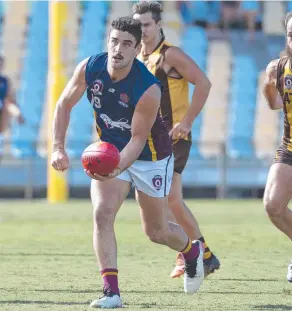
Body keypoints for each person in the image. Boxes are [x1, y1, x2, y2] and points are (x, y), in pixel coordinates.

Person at [51, 17, 205, 309]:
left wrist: (116, 167)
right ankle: (112, 293)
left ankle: (192, 252)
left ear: (136, 49)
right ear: (107, 41)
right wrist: (57, 148)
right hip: (110, 151)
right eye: (114, 41)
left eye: (126, 44)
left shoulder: (148, 88)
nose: (117, 49)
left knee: (156, 232)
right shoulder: (90, 67)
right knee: (102, 214)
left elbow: (137, 139)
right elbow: (63, 105)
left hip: (151, 157)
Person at [132, 1, 220, 279]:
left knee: (171, 199)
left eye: (146, 24)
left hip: (174, 137)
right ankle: (193, 254)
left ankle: (201, 255)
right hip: (150, 142)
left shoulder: (171, 55)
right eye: (138, 25)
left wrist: (188, 121)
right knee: (165, 201)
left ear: (158, 24)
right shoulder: (137, 58)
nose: (142, 30)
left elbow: (204, 83)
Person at [262, 12, 292, 283]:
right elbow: (273, 103)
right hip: (290, 147)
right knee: (272, 205)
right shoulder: (279, 68)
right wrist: (268, 87)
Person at [0, 56, 24, 159]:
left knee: (6, 106)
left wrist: (18, 113)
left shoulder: (4, 81)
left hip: (2, 108)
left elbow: (9, 100)